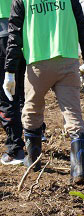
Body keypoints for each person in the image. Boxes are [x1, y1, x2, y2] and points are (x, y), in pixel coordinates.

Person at [4, 0, 84, 183]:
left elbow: (14, 34)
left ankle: (33, 161)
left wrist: (10, 71)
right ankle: (78, 172)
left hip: (38, 64)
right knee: (73, 115)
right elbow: (83, 27)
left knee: (31, 111)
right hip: (67, 61)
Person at [0, 0, 25, 165]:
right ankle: (35, 132)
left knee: (6, 95)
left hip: (3, 33)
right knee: (23, 90)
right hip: (23, 33)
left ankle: (15, 148)